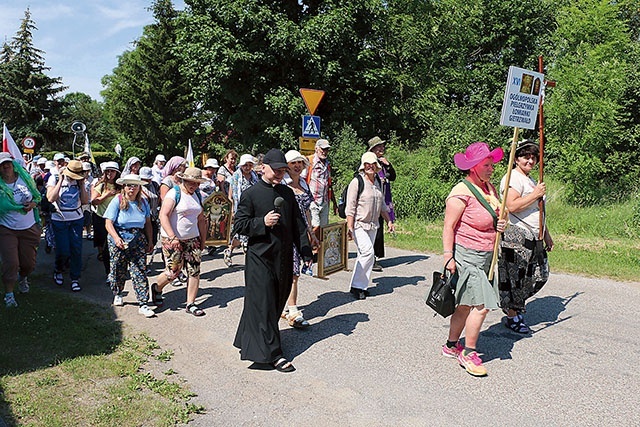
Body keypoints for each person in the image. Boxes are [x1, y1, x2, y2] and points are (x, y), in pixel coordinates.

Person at [233, 148, 313, 373]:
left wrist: (306, 252)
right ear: (263, 168)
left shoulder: (287, 194)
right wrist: (262, 222)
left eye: (282, 170)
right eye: (276, 169)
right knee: (265, 304)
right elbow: (239, 225)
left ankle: (248, 339)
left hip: (283, 258)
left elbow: (298, 225)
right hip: (260, 258)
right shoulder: (251, 194)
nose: (279, 173)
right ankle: (273, 354)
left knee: (275, 303)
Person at [441, 142, 507, 377]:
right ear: (473, 167)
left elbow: (494, 215)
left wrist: (500, 223)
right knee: (481, 305)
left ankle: (450, 346)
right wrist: (448, 256)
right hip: (467, 255)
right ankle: (468, 353)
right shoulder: (461, 191)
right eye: (487, 165)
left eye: (491, 164)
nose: (491, 169)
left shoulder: (490, 188)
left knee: (465, 305)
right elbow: (448, 227)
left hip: (487, 254)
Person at [498, 139, 554, 333]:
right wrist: (535, 193)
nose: (530, 160)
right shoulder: (512, 178)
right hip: (516, 234)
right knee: (515, 278)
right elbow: (511, 206)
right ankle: (512, 314)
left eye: (533, 157)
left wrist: (546, 233)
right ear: (516, 159)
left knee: (540, 275)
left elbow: (539, 209)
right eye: (525, 156)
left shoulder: (530, 179)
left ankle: (514, 305)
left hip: (534, 235)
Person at [153, 167, 208, 316]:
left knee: (194, 271)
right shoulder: (174, 193)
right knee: (173, 272)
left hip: (192, 239)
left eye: (196, 183)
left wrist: (203, 240)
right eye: (191, 182)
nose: (194, 186)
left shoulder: (197, 195)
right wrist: (172, 236)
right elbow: (163, 215)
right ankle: (157, 288)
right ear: (183, 180)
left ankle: (191, 303)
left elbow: (201, 220)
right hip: (173, 239)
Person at [345, 152, 395, 300]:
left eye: (373, 164)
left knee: (365, 255)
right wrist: (350, 227)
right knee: (367, 253)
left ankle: (361, 286)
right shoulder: (357, 182)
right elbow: (350, 206)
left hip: (373, 225)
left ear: (377, 166)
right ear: (363, 165)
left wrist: (389, 221)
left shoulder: (378, 182)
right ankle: (357, 286)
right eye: (367, 164)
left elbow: (382, 206)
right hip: (359, 224)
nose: (370, 166)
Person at [104, 174, 155, 317]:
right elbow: (108, 223)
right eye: (128, 185)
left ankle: (143, 302)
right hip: (119, 236)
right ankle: (118, 293)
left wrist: (150, 241)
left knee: (139, 269)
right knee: (118, 267)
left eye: (135, 185)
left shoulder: (143, 203)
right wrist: (116, 238)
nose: (132, 188)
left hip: (137, 238)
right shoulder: (117, 201)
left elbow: (148, 223)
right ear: (124, 187)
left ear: (139, 188)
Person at [282, 150, 319, 328]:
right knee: (291, 273)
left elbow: (307, 211)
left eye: (300, 163)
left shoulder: (304, 183)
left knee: (293, 273)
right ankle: (293, 310)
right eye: (293, 163)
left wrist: (311, 233)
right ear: (287, 166)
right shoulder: (282, 185)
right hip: (286, 233)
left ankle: (288, 308)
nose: (297, 166)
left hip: (301, 233)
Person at [0, 153, 41, 307]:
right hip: (7, 229)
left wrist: (33, 204)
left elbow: (37, 197)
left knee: (28, 263)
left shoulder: (25, 179)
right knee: (11, 262)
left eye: (7, 163)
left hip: (28, 227)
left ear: (12, 164)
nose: (5, 167)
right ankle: (9, 294)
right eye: (1, 165)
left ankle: (23, 277)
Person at [46, 159, 89, 291]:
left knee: (76, 248)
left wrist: (81, 184)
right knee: (63, 249)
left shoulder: (80, 181)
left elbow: (85, 201)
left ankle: (75, 278)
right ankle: (58, 269)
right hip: (59, 218)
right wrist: (60, 181)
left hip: (76, 218)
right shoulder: (54, 178)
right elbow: (50, 198)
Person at [223, 154, 258, 267]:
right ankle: (229, 251)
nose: (247, 167)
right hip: (240, 209)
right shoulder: (235, 177)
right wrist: (233, 210)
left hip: (253, 209)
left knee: (251, 234)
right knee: (238, 235)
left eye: (249, 165)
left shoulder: (255, 177)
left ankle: (251, 259)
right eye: (245, 165)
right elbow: (231, 196)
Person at [368, 136, 396, 272]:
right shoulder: (368, 163)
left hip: (382, 202)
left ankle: (373, 257)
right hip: (371, 202)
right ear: (372, 149)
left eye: (382, 146)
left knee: (378, 230)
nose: (382, 149)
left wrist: (388, 164)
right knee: (374, 230)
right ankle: (370, 259)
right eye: (379, 147)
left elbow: (393, 177)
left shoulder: (382, 164)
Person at [91, 162, 121, 274]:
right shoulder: (101, 185)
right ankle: (109, 272)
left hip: (117, 220)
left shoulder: (121, 186)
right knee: (106, 247)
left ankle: (117, 269)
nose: (109, 173)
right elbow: (94, 201)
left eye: (112, 171)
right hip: (102, 218)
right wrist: (107, 195)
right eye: (107, 171)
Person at [302, 139, 333, 240]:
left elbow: (328, 184)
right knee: (315, 227)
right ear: (316, 149)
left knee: (324, 228)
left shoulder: (327, 164)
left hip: (324, 201)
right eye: (323, 149)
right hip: (313, 201)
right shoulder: (309, 161)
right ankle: (313, 251)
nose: (325, 152)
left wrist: (333, 202)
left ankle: (320, 252)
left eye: (327, 149)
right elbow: (302, 180)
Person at [139, 166, 161, 250]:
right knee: (144, 239)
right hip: (142, 217)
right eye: (145, 179)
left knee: (153, 239)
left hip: (154, 216)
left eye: (149, 179)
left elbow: (159, 197)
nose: (148, 181)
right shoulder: (138, 187)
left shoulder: (155, 185)